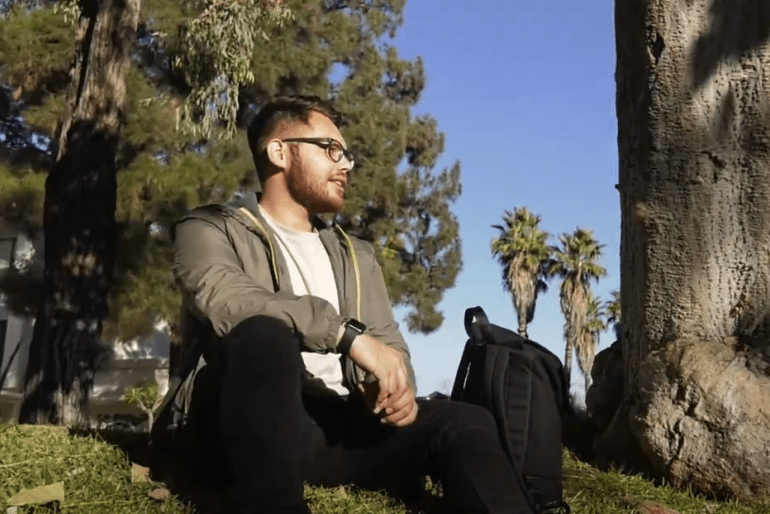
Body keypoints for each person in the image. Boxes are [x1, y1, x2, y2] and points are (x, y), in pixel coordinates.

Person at [153, 95, 532, 514]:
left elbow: (387, 344)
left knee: (465, 421)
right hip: (236, 421)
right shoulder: (209, 227)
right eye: (331, 149)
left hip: (334, 427)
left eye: (347, 154)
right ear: (279, 151)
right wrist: (344, 335)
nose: (347, 164)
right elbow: (224, 299)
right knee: (264, 336)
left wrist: (392, 390)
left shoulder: (357, 255)